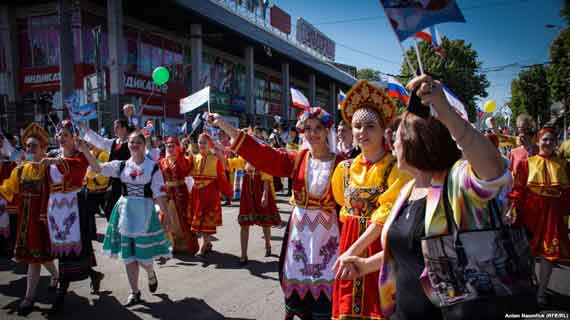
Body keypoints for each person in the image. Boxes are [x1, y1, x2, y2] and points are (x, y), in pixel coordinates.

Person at [335, 75, 515, 320]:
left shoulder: (455, 183)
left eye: (395, 136)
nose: (391, 143)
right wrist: (365, 265)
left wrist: (444, 109)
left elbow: (494, 169)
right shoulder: (408, 191)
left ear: (414, 141)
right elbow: (409, 253)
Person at [208, 107, 344, 320]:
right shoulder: (297, 159)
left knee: (325, 293)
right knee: (296, 287)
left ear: (328, 131)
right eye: (308, 128)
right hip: (300, 233)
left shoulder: (341, 164)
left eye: (318, 128)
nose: (313, 133)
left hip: (328, 236)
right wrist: (224, 125)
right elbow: (263, 154)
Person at [331, 80, 410, 320]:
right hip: (349, 244)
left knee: (379, 308)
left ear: (383, 129)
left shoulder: (396, 169)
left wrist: (354, 253)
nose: (361, 132)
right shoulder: (344, 169)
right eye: (356, 126)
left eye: (369, 126)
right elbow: (342, 210)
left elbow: (383, 218)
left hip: (379, 251)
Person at [79, 131, 172, 306]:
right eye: (131, 142)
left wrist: (166, 214)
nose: (134, 145)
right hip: (125, 213)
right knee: (129, 257)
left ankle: (150, 272)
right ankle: (134, 292)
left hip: (144, 213)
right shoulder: (121, 165)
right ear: (127, 145)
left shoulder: (153, 167)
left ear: (145, 145)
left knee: (144, 258)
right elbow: (98, 168)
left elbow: (159, 193)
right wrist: (85, 150)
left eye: (138, 142)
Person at [42, 120, 104, 312]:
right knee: (62, 248)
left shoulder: (78, 157)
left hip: (75, 207)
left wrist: (85, 149)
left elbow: (96, 168)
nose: (61, 138)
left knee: (78, 246)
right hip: (55, 209)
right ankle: (93, 274)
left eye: (66, 135)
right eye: (59, 135)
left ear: (74, 138)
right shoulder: (51, 155)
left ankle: (62, 289)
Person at [0, 123, 58, 316]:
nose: (29, 149)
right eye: (27, 146)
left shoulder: (49, 168)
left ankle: (29, 297)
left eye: (33, 146)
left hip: (43, 220)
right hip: (26, 220)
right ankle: (51, 279)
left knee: (36, 258)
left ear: (43, 149)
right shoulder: (20, 169)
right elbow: (9, 189)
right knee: (36, 257)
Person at [510, 127, 570, 305]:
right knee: (527, 253)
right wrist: (511, 208)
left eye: (552, 139)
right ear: (538, 140)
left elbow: (567, 192)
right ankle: (532, 281)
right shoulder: (526, 164)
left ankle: (542, 291)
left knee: (549, 254)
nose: (548, 143)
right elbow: (518, 189)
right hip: (530, 213)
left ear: (556, 142)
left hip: (553, 215)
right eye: (545, 139)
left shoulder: (565, 165)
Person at [187, 133, 232, 256]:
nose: (201, 145)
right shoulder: (193, 158)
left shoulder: (215, 159)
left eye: (204, 142)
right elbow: (185, 170)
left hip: (209, 192)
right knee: (199, 221)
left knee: (206, 220)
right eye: (200, 142)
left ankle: (203, 245)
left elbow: (222, 174)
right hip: (197, 192)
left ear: (209, 144)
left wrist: (225, 191)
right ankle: (207, 243)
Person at [80, 119, 131, 221]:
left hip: (127, 180)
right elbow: (100, 141)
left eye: (117, 127)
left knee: (125, 209)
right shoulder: (114, 142)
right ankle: (116, 232)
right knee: (110, 209)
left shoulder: (131, 143)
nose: (115, 130)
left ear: (125, 129)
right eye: (114, 127)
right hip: (114, 180)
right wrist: (86, 129)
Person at [158, 136, 198, 255]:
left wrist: (180, 156)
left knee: (183, 219)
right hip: (168, 192)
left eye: (172, 146)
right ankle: (173, 245)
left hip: (180, 191)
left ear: (177, 147)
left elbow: (186, 170)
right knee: (168, 219)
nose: (169, 148)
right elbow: (159, 178)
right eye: (167, 146)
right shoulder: (162, 161)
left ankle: (187, 246)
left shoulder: (183, 159)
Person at [238, 161, 281, 264]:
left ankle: (267, 244)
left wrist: (265, 195)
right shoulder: (243, 155)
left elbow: (266, 177)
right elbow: (231, 163)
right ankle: (243, 255)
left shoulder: (261, 155)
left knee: (265, 222)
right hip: (247, 193)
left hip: (260, 189)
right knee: (244, 223)